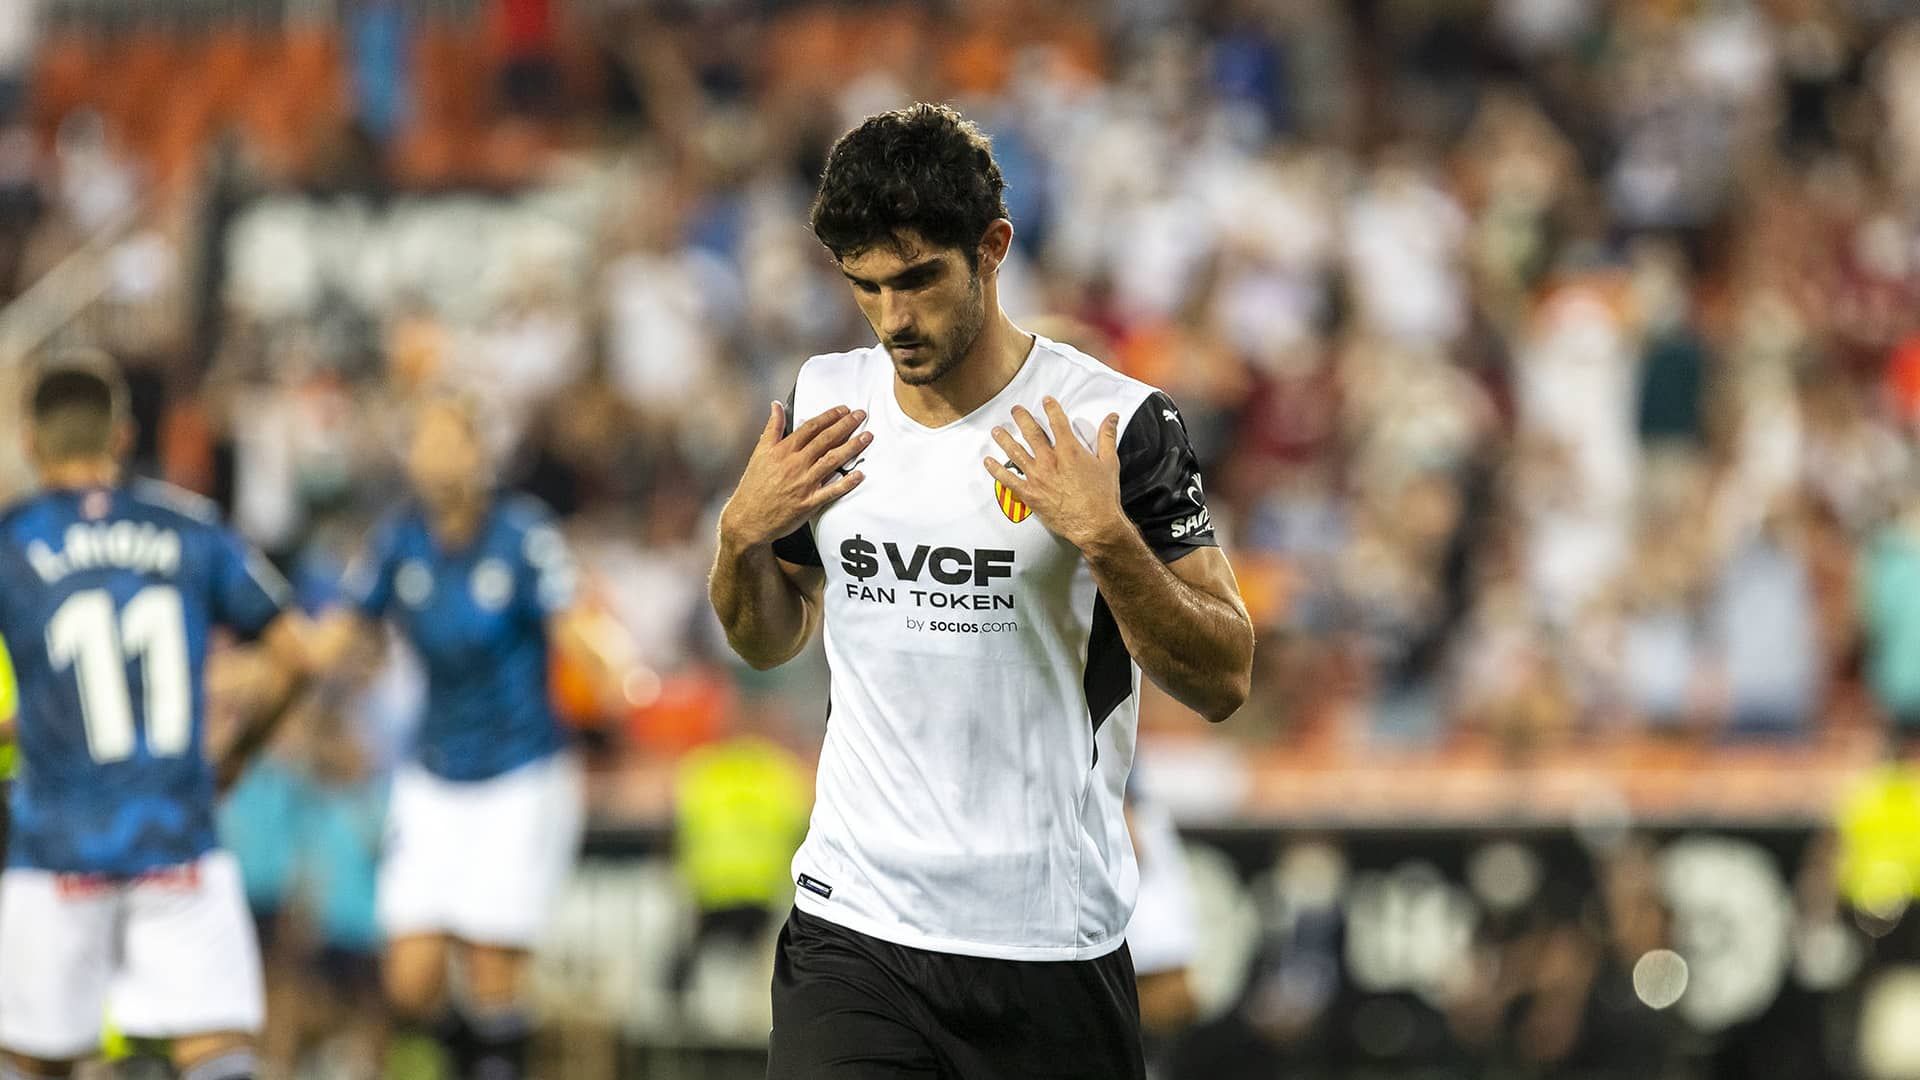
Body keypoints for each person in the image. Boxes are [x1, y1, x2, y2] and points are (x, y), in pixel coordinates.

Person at [708, 103, 1256, 1079]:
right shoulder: (830, 400)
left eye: (919, 279)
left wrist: (1106, 539)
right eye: (866, 286)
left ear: (993, 249)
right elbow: (767, 638)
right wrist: (740, 537)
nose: (894, 319)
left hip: (1046, 938)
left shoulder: (1117, 425)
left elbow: (1224, 676)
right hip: (856, 921)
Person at [0, 351, 310, 1080]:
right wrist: (239, 750)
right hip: (177, 833)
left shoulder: (13, 541)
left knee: (31, 1058)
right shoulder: (190, 528)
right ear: (121, 436)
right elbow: (297, 654)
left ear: (30, 442)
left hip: (56, 840)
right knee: (216, 1050)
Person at [309, 393, 615, 1080]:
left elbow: (572, 621)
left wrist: (610, 664)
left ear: (479, 454)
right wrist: (280, 656)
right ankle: (472, 1057)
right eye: (424, 440)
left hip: (518, 772)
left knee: (490, 967)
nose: (435, 455)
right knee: (409, 978)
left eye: (450, 440)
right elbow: (346, 632)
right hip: (435, 769)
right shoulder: (398, 538)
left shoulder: (522, 533)